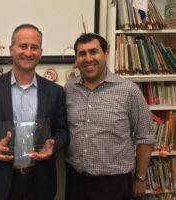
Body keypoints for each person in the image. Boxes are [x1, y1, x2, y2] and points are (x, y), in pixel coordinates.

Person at [0, 24, 69, 200]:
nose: (28, 52)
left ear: (40, 52)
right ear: (11, 50)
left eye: (34, 47)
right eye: (23, 46)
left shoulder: (55, 91)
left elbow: (63, 131)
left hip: (41, 182)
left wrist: (53, 145)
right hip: (1, 182)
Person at [64, 33, 156, 200]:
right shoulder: (68, 90)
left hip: (115, 184)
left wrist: (141, 178)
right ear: (76, 59)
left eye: (94, 52)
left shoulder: (129, 91)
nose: (88, 58)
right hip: (76, 180)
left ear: (106, 54)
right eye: (82, 53)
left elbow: (145, 136)